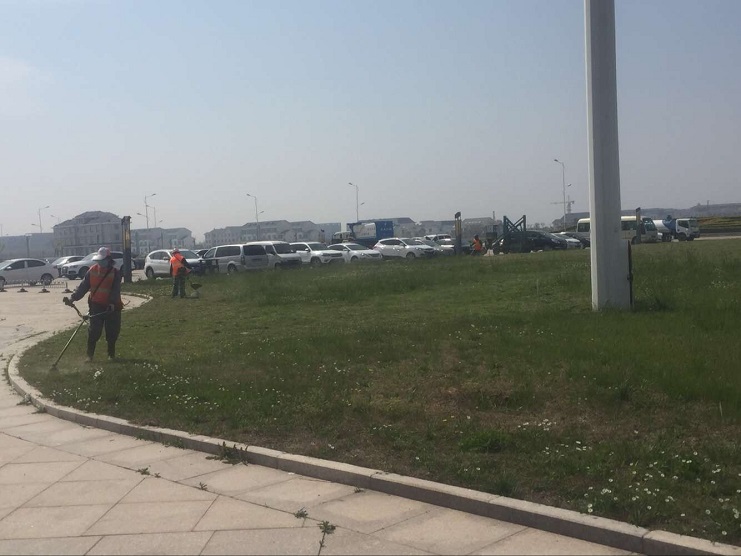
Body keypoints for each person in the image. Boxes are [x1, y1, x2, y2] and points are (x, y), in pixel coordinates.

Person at [63, 247, 122, 361]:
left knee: (112, 332)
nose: (100, 262)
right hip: (96, 305)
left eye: (102, 260)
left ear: (109, 259)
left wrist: (112, 303)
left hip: (112, 308)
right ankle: (89, 356)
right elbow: (83, 287)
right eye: (99, 260)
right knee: (94, 331)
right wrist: (73, 298)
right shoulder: (92, 271)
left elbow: (116, 290)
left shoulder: (115, 273)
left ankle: (111, 355)